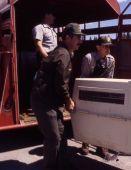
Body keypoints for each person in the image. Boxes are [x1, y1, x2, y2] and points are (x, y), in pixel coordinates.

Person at [30, 23, 83, 170]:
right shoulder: (63, 54)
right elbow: (60, 82)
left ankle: (63, 164)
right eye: (77, 37)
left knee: (61, 133)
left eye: (80, 37)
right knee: (53, 138)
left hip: (51, 101)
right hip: (44, 102)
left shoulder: (62, 52)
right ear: (67, 38)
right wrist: (68, 100)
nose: (80, 41)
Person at [80, 36, 115, 160]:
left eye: (109, 46)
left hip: (103, 93)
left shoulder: (111, 60)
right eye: (105, 46)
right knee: (88, 118)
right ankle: (86, 141)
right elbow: (83, 79)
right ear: (98, 47)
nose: (108, 48)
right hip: (89, 92)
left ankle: (102, 146)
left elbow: (110, 80)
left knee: (103, 120)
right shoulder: (88, 58)